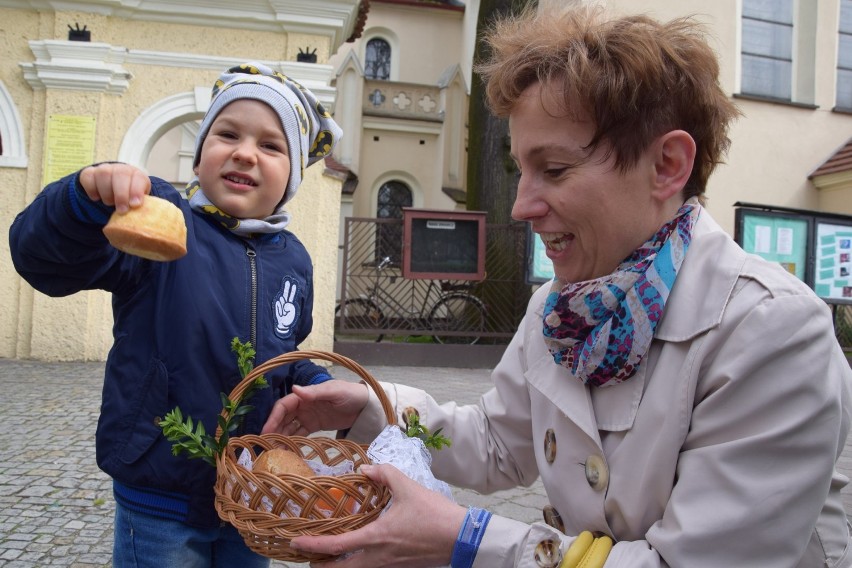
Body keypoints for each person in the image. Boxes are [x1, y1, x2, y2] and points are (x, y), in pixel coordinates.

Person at [261, 5, 852, 568]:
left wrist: (466, 540)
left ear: (667, 165)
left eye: (556, 169)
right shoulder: (560, 309)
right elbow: (499, 442)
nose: (520, 206)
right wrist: (372, 408)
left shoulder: (770, 332)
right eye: (521, 169)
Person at [10, 62, 342, 567]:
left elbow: (283, 351)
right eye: (227, 133)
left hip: (251, 494)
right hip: (160, 490)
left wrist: (313, 379)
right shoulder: (159, 218)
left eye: (271, 146)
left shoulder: (292, 258)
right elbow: (43, 261)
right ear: (201, 151)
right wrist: (84, 197)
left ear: (292, 175)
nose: (244, 152)